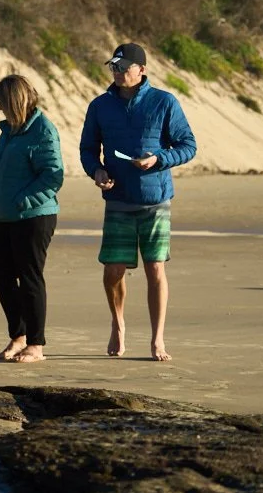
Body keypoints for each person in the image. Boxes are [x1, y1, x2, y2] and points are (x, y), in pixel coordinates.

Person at [80, 43, 197, 362]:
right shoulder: (100, 106)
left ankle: (157, 340)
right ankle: (118, 326)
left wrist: (159, 158)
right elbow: (88, 150)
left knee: (154, 267)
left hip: (155, 199)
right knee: (112, 271)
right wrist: (97, 170)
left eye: (123, 67)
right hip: (117, 198)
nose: (117, 72)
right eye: (114, 67)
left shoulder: (164, 102)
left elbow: (188, 146)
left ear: (142, 69)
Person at [0, 75, 64, 364]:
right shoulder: (9, 131)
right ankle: (18, 336)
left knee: (30, 279)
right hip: (3, 216)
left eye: (1, 103)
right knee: (0, 276)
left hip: (33, 217)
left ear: (13, 101)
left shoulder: (43, 130)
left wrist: (23, 201)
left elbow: (53, 176)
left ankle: (36, 344)